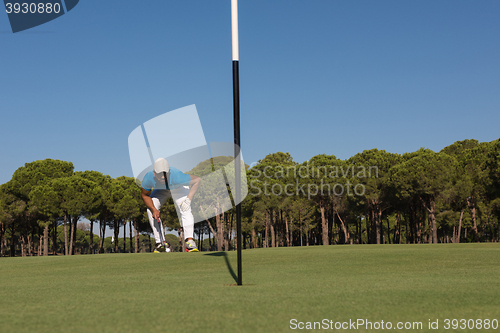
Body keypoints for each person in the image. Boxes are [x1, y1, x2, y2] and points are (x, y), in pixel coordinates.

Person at [141, 157, 201, 252]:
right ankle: (160, 243)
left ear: (169, 171)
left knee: (185, 209)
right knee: (150, 210)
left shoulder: (177, 176)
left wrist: (188, 199)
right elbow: (145, 195)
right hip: (161, 190)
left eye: (165, 173)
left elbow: (197, 180)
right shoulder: (148, 178)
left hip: (178, 188)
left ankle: (190, 242)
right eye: (159, 174)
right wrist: (154, 209)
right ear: (154, 173)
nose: (163, 177)